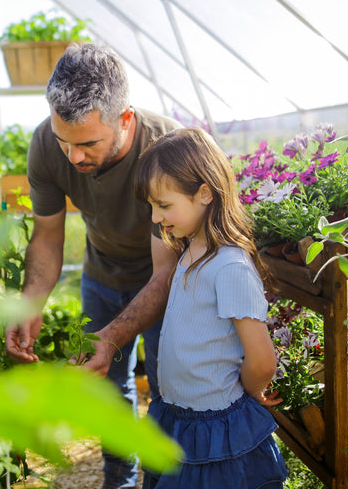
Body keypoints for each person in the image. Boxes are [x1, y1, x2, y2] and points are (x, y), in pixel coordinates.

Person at [4, 42, 181, 489]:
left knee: (166, 392)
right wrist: (29, 303)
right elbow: (47, 237)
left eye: (87, 144)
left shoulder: (166, 150)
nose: (73, 157)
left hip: (168, 285)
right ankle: (118, 480)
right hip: (101, 277)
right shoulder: (48, 143)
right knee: (109, 391)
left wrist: (113, 337)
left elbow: (167, 271)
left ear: (125, 119)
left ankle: (158, 485)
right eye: (65, 141)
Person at [133, 127, 288, 489]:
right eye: (152, 207)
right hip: (181, 418)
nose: (156, 218)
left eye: (164, 205)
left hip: (216, 427)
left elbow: (263, 360)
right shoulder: (190, 251)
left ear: (204, 193)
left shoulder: (230, 267)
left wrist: (249, 393)